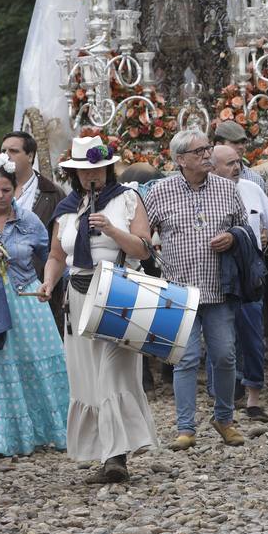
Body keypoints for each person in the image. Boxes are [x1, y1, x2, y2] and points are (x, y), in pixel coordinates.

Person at [38, 136, 157, 482]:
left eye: (100, 169)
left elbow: (144, 250)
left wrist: (111, 229)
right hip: (77, 296)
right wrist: (48, 282)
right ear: (75, 174)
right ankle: (105, 452)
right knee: (88, 378)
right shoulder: (66, 208)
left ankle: (116, 458)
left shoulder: (127, 199)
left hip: (117, 292)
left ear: (108, 168)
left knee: (113, 374)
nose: (94, 176)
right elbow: (57, 256)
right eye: (86, 171)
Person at [145, 130, 249, 451]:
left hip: (219, 289)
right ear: (180, 160)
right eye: (199, 151)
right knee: (186, 359)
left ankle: (224, 418)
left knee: (225, 356)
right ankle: (185, 427)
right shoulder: (160, 192)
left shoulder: (227, 188)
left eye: (208, 149)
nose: (207, 155)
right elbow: (141, 236)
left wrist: (232, 237)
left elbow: (245, 227)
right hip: (179, 292)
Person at [0, 164, 69, 456]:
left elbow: (52, 256)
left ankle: (49, 429)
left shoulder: (30, 220)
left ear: (14, 191)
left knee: (38, 361)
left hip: (26, 296)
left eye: (6, 190)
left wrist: (50, 283)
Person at [211, 144, 268, 421]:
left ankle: (253, 396)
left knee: (253, 336)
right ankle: (224, 397)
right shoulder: (204, 195)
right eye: (229, 163)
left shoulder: (252, 190)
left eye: (238, 162)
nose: (237, 168)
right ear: (213, 167)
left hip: (250, 273)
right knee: (220, 339)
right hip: (214, 274)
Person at [0, 132, 63, 232]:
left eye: (13, 151)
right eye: (3, 151)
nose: (6, 156)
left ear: (30, 156)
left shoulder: (53, 194)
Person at [211, 120, 264, 187]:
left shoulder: (255, 180)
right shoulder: (204, 179)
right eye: (235, 142)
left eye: (243, 142)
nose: (241, 147)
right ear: (218, 145)